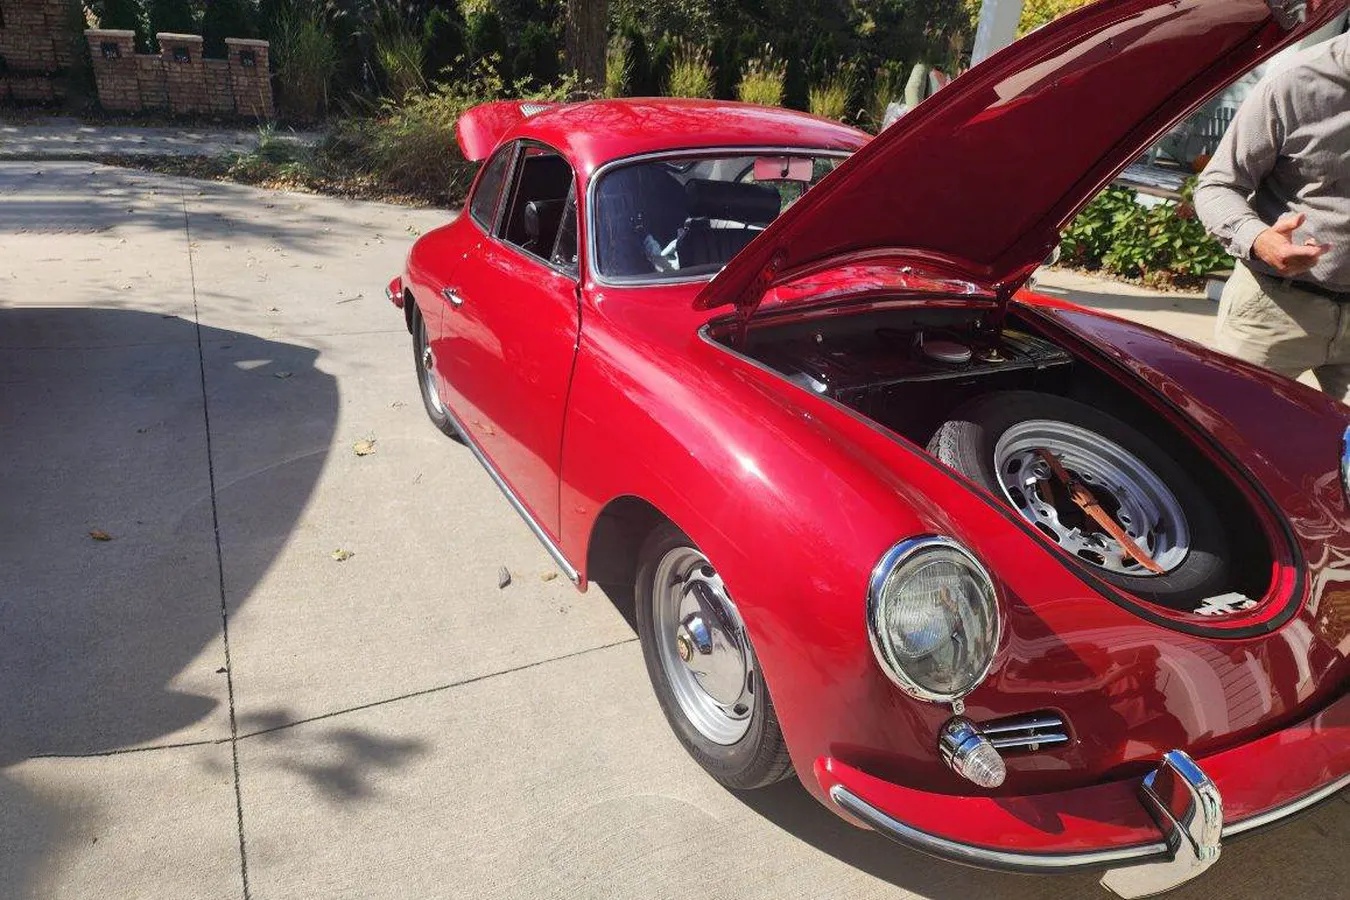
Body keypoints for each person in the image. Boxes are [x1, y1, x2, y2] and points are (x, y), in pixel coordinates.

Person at [1194, 31, 1349, 400]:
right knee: (1231, 440)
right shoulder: (1294, 82)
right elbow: (1217, 186)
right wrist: (1260, 240)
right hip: (1275, 307)